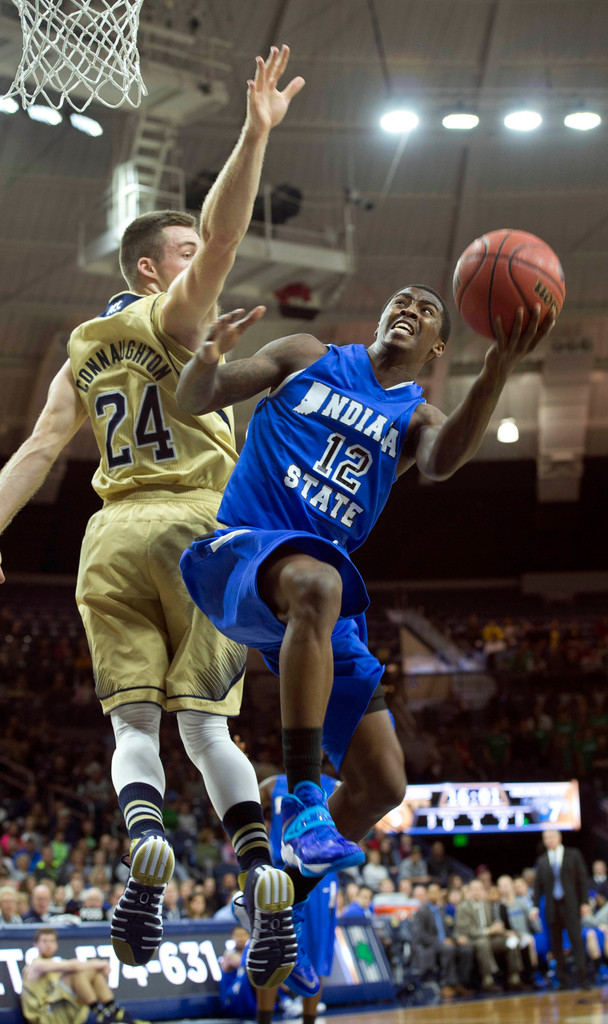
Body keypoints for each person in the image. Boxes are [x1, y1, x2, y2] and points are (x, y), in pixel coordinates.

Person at [0, 45, 304, 989]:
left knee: (134, 729)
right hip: (200, 537)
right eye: (176, 259)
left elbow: (38, 452)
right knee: (211, 734)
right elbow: (218, 237)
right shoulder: (172, 317)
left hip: (110, 541)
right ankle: (261, 875)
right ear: (147, 269)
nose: (198, 268)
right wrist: (254, 135)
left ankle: (144, 844)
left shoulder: (79, 351)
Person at [176, 289, 555, 901]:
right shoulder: (307, 355)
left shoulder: (418, 418)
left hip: (318, 604)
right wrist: (204, 361)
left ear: (436, 348)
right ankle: (303, 796)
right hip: (240, 552)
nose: (408, 306)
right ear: (380, 317)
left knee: (382, 784)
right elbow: (198, 396)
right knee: (321, 582)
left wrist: (497, 370)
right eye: (400, 300)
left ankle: (276, 897)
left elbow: (442, 463)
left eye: (427, 309)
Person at [256, 773, 340, 1023]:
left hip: (320, 878)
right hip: (279, 871)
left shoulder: (335, 787)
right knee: (269, 951)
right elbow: (241, 806)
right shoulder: (272, 784)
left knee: (314, 951)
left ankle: (309, 1019)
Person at [21, 928, 142, 1024]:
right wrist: (101, 963)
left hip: (63, 1012)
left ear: (57, 944)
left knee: (90, 971)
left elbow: (75, 965)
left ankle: (113, 1011)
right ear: (36, 944)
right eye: (44, 941)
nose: (48, 945)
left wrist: (96, 966)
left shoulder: (56, 964)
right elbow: (74, 966)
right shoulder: (36, 965)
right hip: (45, 1017)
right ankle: (101, 1015)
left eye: (52, 941)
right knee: (77, 973)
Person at [530, 829, 592, 990]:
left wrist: (584, 902)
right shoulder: (542, 861)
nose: (549, 840)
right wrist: (535, 906)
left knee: (576, 940)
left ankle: (583, 978)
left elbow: (582, 880)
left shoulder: (573, 854)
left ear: (559, 838)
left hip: (571, 904)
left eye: (551, 837)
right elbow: (538, 887)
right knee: (555, 943)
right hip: (552, 906)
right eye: (546, 838)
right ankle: (562, 980)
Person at [455, 878, 523, 993]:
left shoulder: (487, 905)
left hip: (489, 937)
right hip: (472, 939)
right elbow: (467, 930)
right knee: (483, 943)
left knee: (510, 940)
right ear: (470, 891)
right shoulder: (463, 907)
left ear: (483, 891)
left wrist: (501, 930)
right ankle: (488, 979)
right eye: (474, 889)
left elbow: (491, 924)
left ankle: (514, 976)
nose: (477, 892)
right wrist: (488, 931)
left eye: (480, 889)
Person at [410, 882, 474, 998]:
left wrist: (457, 938)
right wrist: (440, 941)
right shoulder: (422, 911)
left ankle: (461, 982)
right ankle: (446, 984)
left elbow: (449, 929)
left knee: (466, 949)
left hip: (447, 941)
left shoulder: (442, 909)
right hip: (431, 944)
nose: (436, 894)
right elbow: (421, 935)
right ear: (428, 895)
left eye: (438, 892)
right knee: (448, 949)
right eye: (433, 892)